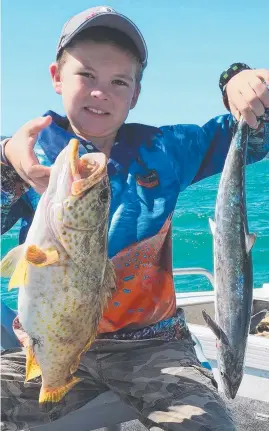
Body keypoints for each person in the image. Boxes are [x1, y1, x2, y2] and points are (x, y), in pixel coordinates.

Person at [1, 5, 269, 431]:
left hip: (154, 347)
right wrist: (6, 168)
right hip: (49, 341)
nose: (100, 92)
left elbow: (251, 138)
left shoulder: (165, 149)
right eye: (86, 75)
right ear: (57, 77)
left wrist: (239, 81)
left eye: (119, 81)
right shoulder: (28, 151)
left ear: (136, 95)